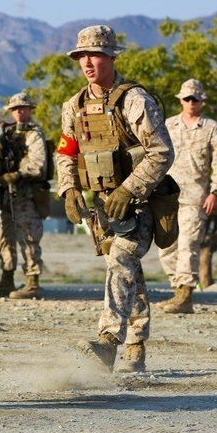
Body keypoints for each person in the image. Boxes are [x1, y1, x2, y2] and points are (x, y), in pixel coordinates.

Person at [57, 25, 174, 373]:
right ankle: (136, 345)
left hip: (141, 203)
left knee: (121, 260)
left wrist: (130, 189)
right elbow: (66, 151)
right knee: (128, 273)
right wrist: (69, 188)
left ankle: (107, 343)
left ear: (111, 57)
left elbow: (161, 152)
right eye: (82, 56)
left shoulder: (134, 100)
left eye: (95, 55)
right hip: (104, 206)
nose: (87, 63)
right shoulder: (74, 105)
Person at [156, 79, 217, 314]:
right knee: (166, 247)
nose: (191, 102)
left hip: (196, 198)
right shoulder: (168, 125)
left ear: (202, 101)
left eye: (195, 99)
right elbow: (156, 157)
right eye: (187, 98)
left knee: (189, 245)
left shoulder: (212, 129)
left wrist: (215, 191)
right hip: (168, 196)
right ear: (180, 100)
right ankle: (178, 287)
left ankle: (185, 295)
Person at [0, 92, 49, 299]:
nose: (19, 112)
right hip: (9, 194)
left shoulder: (35, 134)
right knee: (6, 235)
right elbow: (0, 164)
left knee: (28, 236)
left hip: (28, 193)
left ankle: (32, 281)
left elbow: (38, 164)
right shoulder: (8, 134)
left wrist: (18, 173)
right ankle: (6, 278)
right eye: (15, 109)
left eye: (23, 108)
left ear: (29, 110)